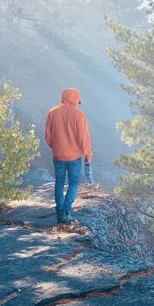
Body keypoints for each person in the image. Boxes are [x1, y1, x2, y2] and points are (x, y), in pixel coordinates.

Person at [44, 88, 92, 224]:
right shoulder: (79, 115)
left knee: (59, 182)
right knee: (74, 183)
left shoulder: (52, 112)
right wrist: (88, 154)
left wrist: (57, 147)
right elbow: (83, 138)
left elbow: (48, 136)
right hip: (74, 157)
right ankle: (66, 212)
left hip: (58, 155)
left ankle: (59, 210)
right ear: (75, 99)